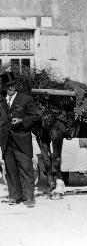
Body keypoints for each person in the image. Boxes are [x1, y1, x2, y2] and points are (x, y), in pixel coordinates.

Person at [0, 72, 40, 207]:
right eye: (7, 86)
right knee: (10, 169)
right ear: (4, 88)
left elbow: (35, 116)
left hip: (22, 139)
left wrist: (22, 120)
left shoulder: (26, 99)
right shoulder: (1, 100)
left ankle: (29, 197)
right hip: (6, 140)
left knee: (26, 168)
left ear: (16, 86)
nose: (10, 89)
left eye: (12, 86)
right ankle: (15, 196)